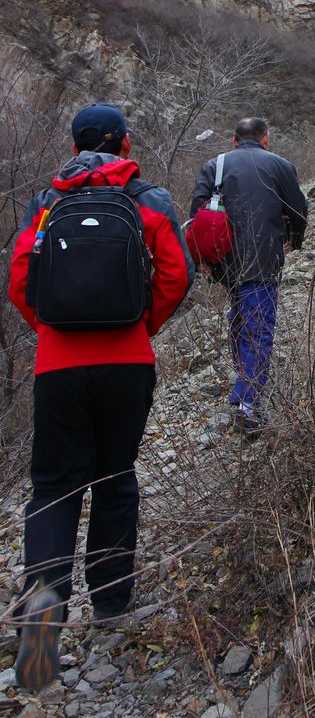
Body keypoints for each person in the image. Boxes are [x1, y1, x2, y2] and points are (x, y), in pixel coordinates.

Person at [7, 102, 194, 691]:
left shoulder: (47, 203)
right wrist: (142, 325)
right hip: (127, 362)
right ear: (126, 144)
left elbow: (19, 279)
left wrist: (50, 330)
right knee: (115, 476)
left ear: (73, 147)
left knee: (54, 485)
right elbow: (177, 275)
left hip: (58, 365)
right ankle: (111, 605)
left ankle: (43, 619)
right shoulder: (149, 201)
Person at [189, 117, 307, 433]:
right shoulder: (280, 165)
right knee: (259, 328)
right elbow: (298, 211)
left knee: (241, 317)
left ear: (234, 140)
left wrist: (204, 260)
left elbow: (197, 216)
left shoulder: (214, 165)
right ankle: (247, 404)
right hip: (263, 257)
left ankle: (244, 383)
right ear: (265, 139)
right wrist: (293, 239)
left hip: (225, 260)